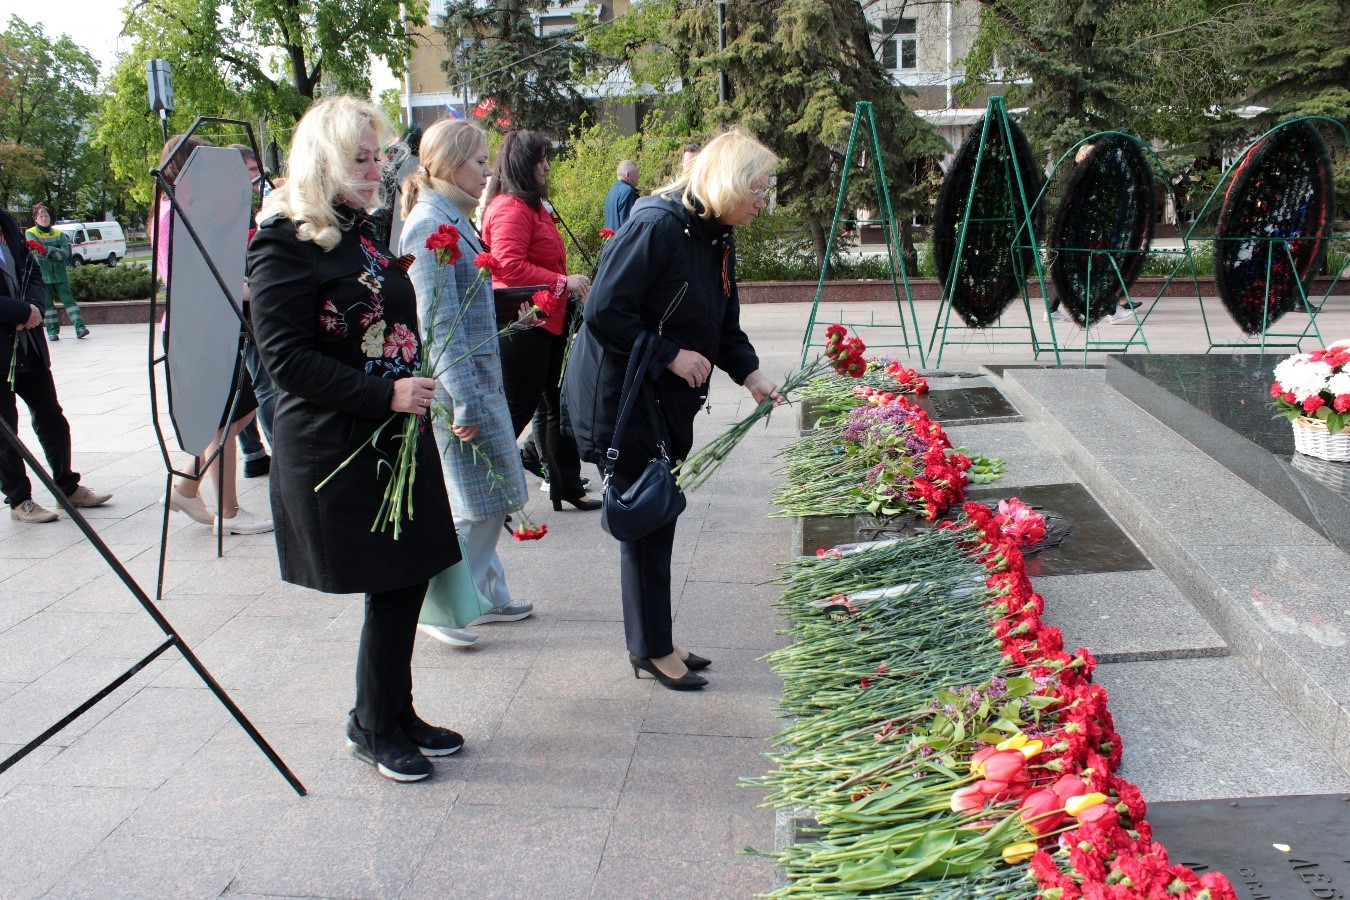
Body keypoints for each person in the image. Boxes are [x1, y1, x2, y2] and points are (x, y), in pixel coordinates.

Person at [247, 95, 465, 782]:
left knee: (410, 573)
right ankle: (372, 725)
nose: (376, 171)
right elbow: (285, 360)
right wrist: (385, 392)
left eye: (379, 158)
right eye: (360, 159)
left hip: (394, 429)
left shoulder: (363, 227)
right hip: (343, 437)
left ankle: (394, 711)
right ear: (324, 161)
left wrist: (413, 377)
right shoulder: (282, 240)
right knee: (390, 580)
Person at [564, 128, 783, 690]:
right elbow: (604, 313)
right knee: (646, 515)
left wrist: (750, 372)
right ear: (729, 184)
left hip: (662, 397)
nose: (764, 200)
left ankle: (657, 637)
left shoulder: (714, 232)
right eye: (758, 189)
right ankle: (648, 647)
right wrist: (669, 355)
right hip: (627, 396)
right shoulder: (657, 225)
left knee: (660, 512)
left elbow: (721, 320)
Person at [399, 117, 534, 645]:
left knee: (492, 493)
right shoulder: (430, 222)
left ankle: (490, 594)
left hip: (476, 380)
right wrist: (461, 402)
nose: (487, 173)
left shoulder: (449, 215)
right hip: (461, 388)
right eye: (481, 162)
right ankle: (445, 608)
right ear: (453, 163)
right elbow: (436, 323)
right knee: (478, 503)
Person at [153, 134, 271, 536]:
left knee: (240, 410)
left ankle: (187, 485)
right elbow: (188, 273)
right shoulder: (176, 212)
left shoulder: (185, 208)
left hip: (211, 325)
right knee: (225, 420)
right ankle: (230, 511)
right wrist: (241, 287)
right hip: (197, 330)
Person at [481, 130, 599, 512]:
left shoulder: (529, 206)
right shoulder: (511, 207)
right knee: (517, 410)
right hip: (526, 326)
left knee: (556, 407)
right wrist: (563, 282)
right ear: (523, 164)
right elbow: (507, 266)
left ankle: (565, 485)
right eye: (541, 159)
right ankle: (483, 489)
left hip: (546, 322)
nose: (547, 165)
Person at [0, 208, 112, 523]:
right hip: (2, 343)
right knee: (5, 431)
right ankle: (19, 500)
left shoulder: (8, 224)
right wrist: (19, 311)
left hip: (28, 345)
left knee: (52, 417)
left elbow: (31, 271)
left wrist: (35, 306)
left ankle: (66, 486)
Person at [227, 143, 276, 479]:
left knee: (255, 381)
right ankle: (264, 451)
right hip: (242, 302)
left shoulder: (248, 202)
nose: (255, 179)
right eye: (248, 172)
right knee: (257, 382)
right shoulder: (231, 207)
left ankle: (258, 453)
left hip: (249, 298)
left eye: (255, 171)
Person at [24, 204, 89, 341]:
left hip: (60, 274)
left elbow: (65, 253)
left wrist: (47, 250)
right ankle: (52, 332)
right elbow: (37, 250)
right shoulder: (31, 233)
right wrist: (54, 250)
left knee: (69, 301)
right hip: (43, 274)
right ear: (35, 219)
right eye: (41, 216)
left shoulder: (58, 233)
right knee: (48, 305)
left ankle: (80, 328)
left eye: (46, 215)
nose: (44, 218)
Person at [603, 160, 640, 232]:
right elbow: (629, 225)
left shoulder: (611, 192)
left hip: (612, 241)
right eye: (636, 172)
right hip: (624, 241)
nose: (639, 175)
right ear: (628, 175)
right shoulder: (629, 192)